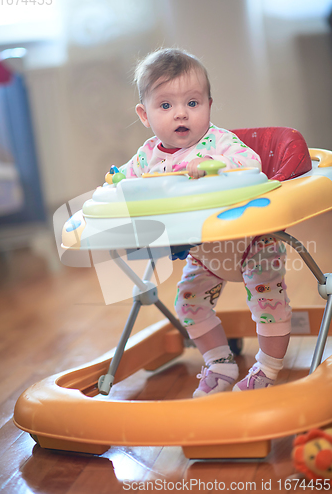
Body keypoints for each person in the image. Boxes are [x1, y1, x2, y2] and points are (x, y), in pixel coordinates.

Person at [119, 48, 292, 397]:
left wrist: (217, 163)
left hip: (252, 242)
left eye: (193, 103)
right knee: (188, 304)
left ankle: (268, 368)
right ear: (144, 114)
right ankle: (219, 363)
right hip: (203, 250)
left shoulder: (220, 142)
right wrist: (112, 186)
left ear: (209, 106)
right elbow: (125, 183)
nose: (181, 113)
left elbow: (252, 163)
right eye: (165, 106)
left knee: (268, 304)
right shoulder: (146, 156)